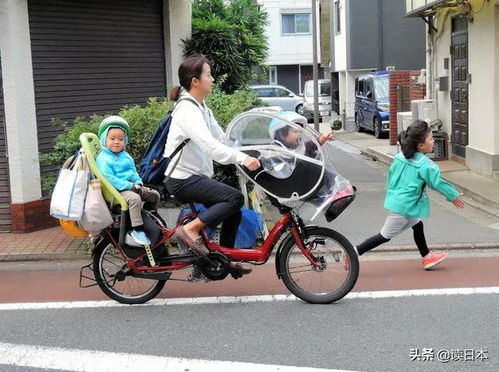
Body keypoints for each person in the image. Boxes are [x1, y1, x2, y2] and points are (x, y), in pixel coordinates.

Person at [164, 54, 260, 278]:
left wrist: (251, 152)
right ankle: (190, 229)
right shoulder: (187, 110)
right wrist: (241, 159)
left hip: (194, 177)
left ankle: (226, 259)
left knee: (234, 209)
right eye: (208, 75)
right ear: (195, 81)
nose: (213, 79)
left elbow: (221, 139)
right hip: (181, 179)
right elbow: (210, 146)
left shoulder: (201, 106)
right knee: (234, 198)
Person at [352, 120, 465, 270]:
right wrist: (453, 195)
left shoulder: (400, 157)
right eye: (431, 138)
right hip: (403, 207)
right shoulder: (425, 165)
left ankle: (427, 258)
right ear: (421, 146)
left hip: (401, 202)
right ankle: (353, 252)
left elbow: (391, 177)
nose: (433, 141)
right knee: (384, 236)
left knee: (417, 225)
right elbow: (437, 183)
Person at [96, 116, 160, 246]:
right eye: (112, 139)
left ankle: (150, 213)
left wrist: (138, 182)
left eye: (121, 139)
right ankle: (137, 229)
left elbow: (133, 172)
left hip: (131, 186)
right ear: (104, 139)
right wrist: (130, 186)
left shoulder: (125, 156)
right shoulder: (104, 158)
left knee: (154, 195)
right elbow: (109, 178)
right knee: (134, 199)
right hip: (116, 190)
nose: (116, 142)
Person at [268, 116, 352, 207]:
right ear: (281, 134)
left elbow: (310, 146)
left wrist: (323, 138)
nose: (299, 134)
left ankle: (335, 192)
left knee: (317, 167)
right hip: (289, 188)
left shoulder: (297, 147)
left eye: (300, 131)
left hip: (304, 187)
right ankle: (334, 192)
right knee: (312, 167)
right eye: (295, 131)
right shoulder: (275, 152)